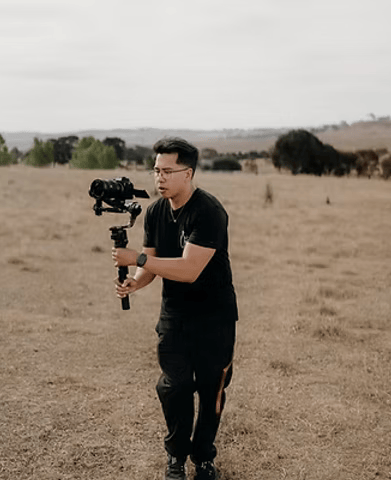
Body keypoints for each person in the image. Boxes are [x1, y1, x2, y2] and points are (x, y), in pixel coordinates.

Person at [112, 137, 238, 480]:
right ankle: (176, 457)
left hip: (215, 317)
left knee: (213, 388)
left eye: (168, 171)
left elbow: (188, 269)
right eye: (156, 171)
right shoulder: (154, 212)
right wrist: (136, 281)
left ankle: (205, 458)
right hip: (175, 316)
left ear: (189, 173)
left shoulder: (209, 211)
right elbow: (151, 264)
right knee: (174, 386)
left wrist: (135, 258)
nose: (159, 178)